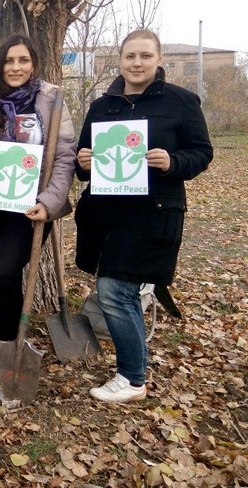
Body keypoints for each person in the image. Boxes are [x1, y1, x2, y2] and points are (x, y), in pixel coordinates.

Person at [75, 28, 212, 403]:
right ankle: (132, 373)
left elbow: (202, 153)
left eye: (145, 56)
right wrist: (83, 161)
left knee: (114, 291)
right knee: (120, 291)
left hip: (153, 213)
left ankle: (132, 378)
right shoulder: (103, 106)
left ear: (159, 59)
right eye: (130, 56)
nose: (137, 63)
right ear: (120, 60)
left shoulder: (181, 102)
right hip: (106, 215)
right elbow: (84, 161)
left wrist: (172, 161)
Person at [0, 34, 76, 393]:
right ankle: (8, 345)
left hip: (31, 208)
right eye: (8, 61)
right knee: (6, 279)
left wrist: (49, 201)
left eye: (23, 60)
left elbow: (64, 156)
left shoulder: (51, 99)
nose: (15, 68)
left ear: (34, 64)